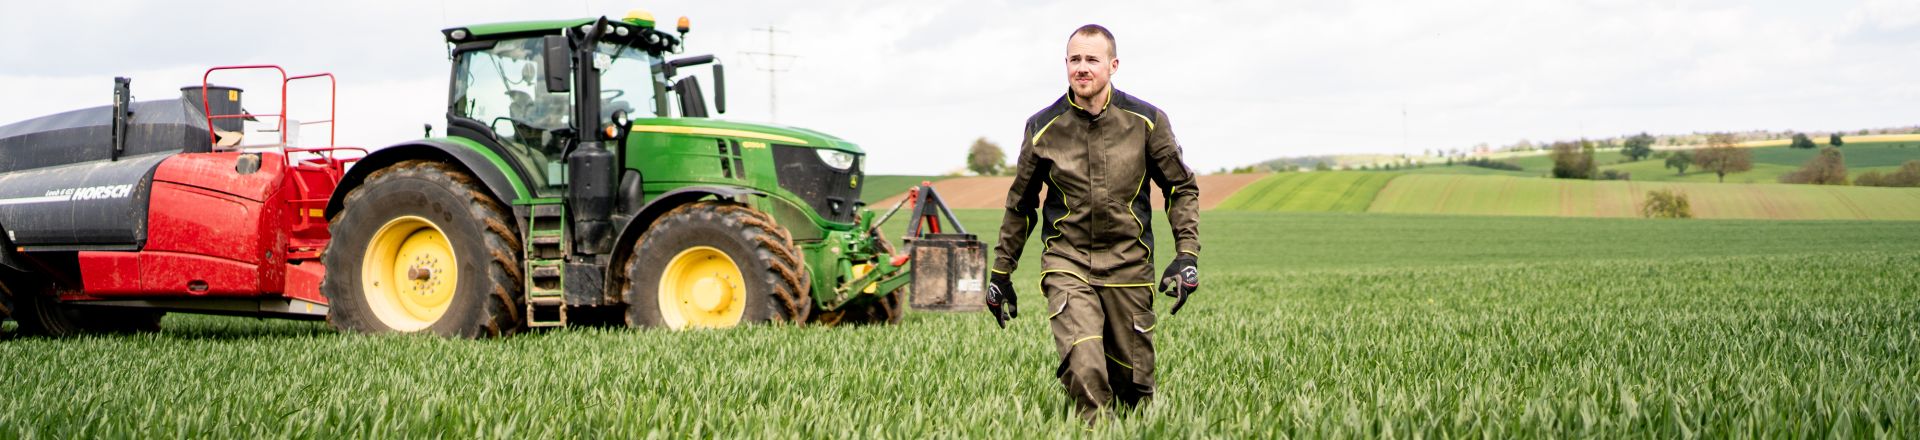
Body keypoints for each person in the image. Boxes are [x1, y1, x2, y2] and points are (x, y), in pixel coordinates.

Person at [986, 23, 1202, 423]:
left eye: (1091, 59)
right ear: (1065, 64)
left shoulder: (1147, 121)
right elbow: (1020, 205)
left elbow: (1181, 188)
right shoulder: (1042, 128)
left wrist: (1186, 255)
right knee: (1085, 366)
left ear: (1113, 65)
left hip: (1129, 265)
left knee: (1134, 390)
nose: (1081, 68)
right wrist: (1001, 274)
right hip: (1068, 262)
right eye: (1074, 59)